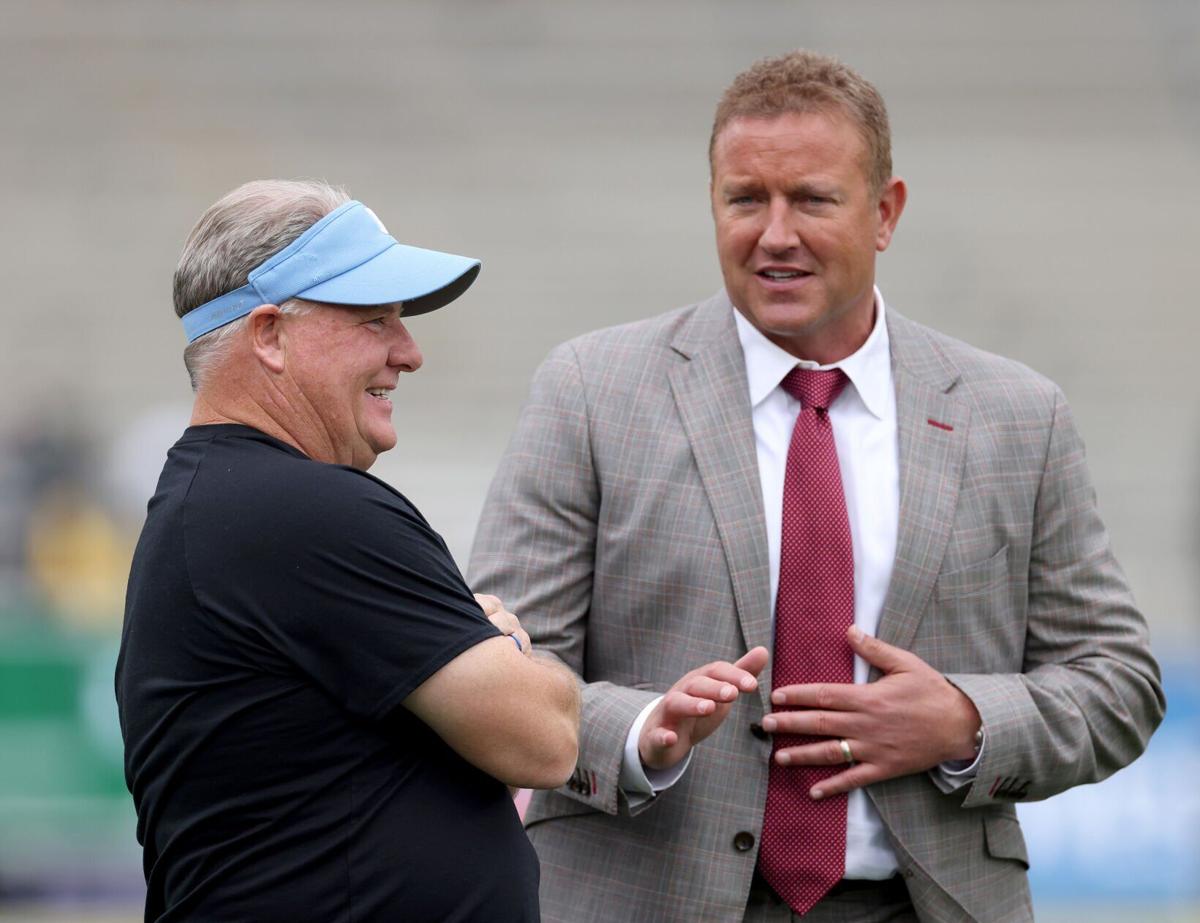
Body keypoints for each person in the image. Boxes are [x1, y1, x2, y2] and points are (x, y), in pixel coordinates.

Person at [468, 51, 1164, 922]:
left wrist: (962, 721)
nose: (775, 233)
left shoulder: (1019, 415)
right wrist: (643, 732)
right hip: (647, 895)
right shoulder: (590, 391)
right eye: (745, 198)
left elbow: (1119, 681)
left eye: (813, 199)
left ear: (885, 213)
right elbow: (503, 668)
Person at [116, 179, 580, 923]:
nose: (410, 351)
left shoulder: (223, 499)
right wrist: (501, 643)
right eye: (374, 319)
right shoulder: (305, 509)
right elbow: (546, 737)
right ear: (268, 335)